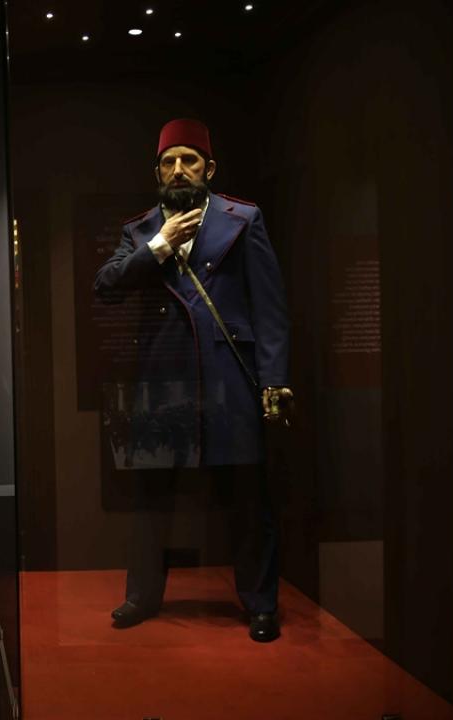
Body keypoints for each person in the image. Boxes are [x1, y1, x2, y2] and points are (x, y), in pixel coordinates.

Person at [93, 118, 293, 642]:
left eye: (189, 160)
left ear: (209, 167)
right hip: (163, 381)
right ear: (157, 172)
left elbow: (269, 307)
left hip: (231, 376)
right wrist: (158, 247)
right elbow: (106, 286)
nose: (178, 169)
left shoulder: (243, 219)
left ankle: (261, 604)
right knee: (151, 497)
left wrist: (274, 379)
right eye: (169, 162)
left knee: (247, 496)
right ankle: (141, 596)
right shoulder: (140, 231)